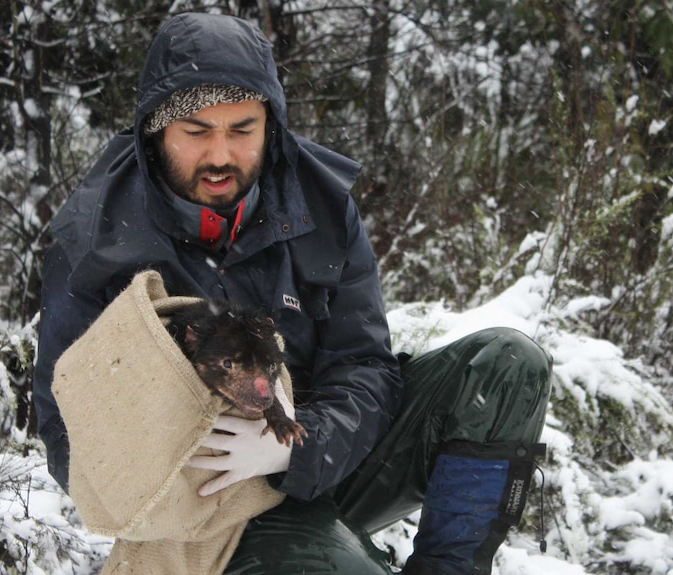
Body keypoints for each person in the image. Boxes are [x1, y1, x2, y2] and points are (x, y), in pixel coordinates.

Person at [32, 11, 552, 575]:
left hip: (330, 452)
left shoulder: (321, 205)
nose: (220, 156)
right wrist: (194, 470)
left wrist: (300, 448)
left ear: (270, 125)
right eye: (197, 131)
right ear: (157, 134)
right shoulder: (95, 237)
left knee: (507, 365)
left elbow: (366, 365)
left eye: (242, 130)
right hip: (223, 508)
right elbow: (67, 427)